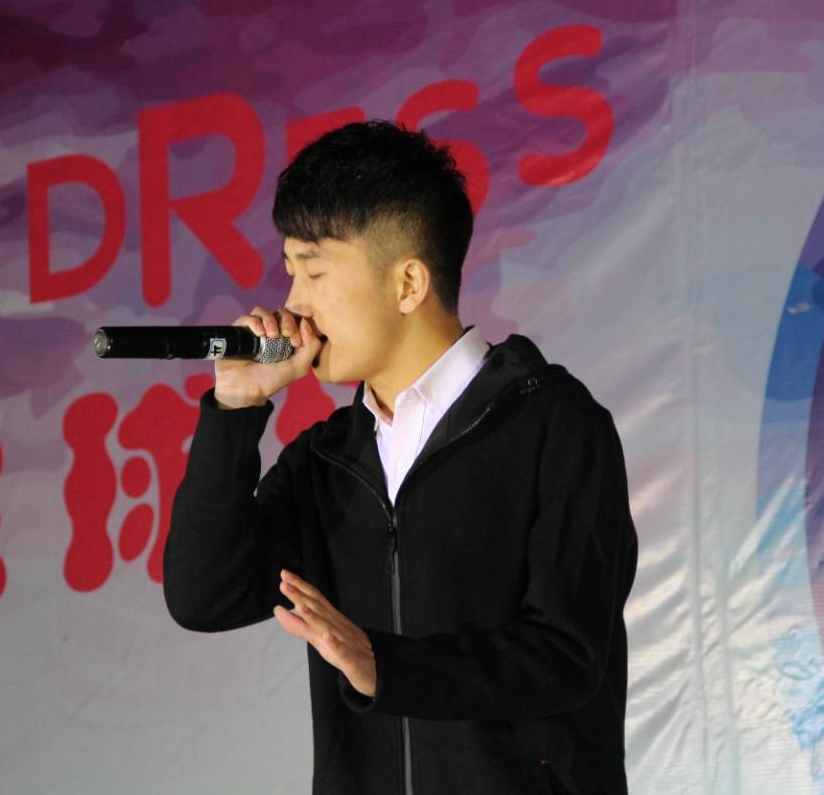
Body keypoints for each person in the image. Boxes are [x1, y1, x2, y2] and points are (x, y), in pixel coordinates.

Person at [164, 120, 637, 794]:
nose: (293, 304)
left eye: (315, 271)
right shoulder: (325, 461)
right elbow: (204, 596)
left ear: (409, 283)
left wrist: (384, 665)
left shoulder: (555, 425)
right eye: (291, 272)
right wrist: (234, 412)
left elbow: (565, 655)